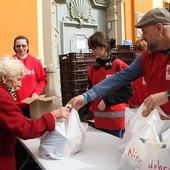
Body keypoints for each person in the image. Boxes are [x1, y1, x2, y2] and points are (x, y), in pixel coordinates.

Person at [68, 7, 170, 117]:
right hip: (159, 122)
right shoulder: (147, 55)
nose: (142, 37)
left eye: (145, 32)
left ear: (159, 28)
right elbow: (120, 77)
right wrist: (86, 97)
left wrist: (167, 95)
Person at [0, 55, 70, 170]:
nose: (19, 85)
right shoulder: (2, 96)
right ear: (5, 77)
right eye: (18, 79)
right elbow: (24, 129)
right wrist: (52, 115)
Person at [81, 31, 133, 138]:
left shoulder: (119, 65)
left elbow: (128, 93)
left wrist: (107, 100)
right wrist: (80, 114)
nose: (92, 51)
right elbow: (90, 93)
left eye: (94, 48)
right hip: (100, 121)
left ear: (104, 46)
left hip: (116, 123)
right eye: (91, 48)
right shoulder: (92, 69)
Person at [13, 35, 47, 118]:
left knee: (31, 128)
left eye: (23, 45)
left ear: (27, 46)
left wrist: (36, 93)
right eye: (18, 46)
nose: (21, 48)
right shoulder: (10, 61)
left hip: (31, 104)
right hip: (14, 105)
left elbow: (43, 80)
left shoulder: (35, 62)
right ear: (14, 47)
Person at [130, 38, 148, 108]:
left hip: (150, 106)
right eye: (144, 51)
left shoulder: (151, 67)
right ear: (137, 52)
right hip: (136, 106)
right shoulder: (133, 69)